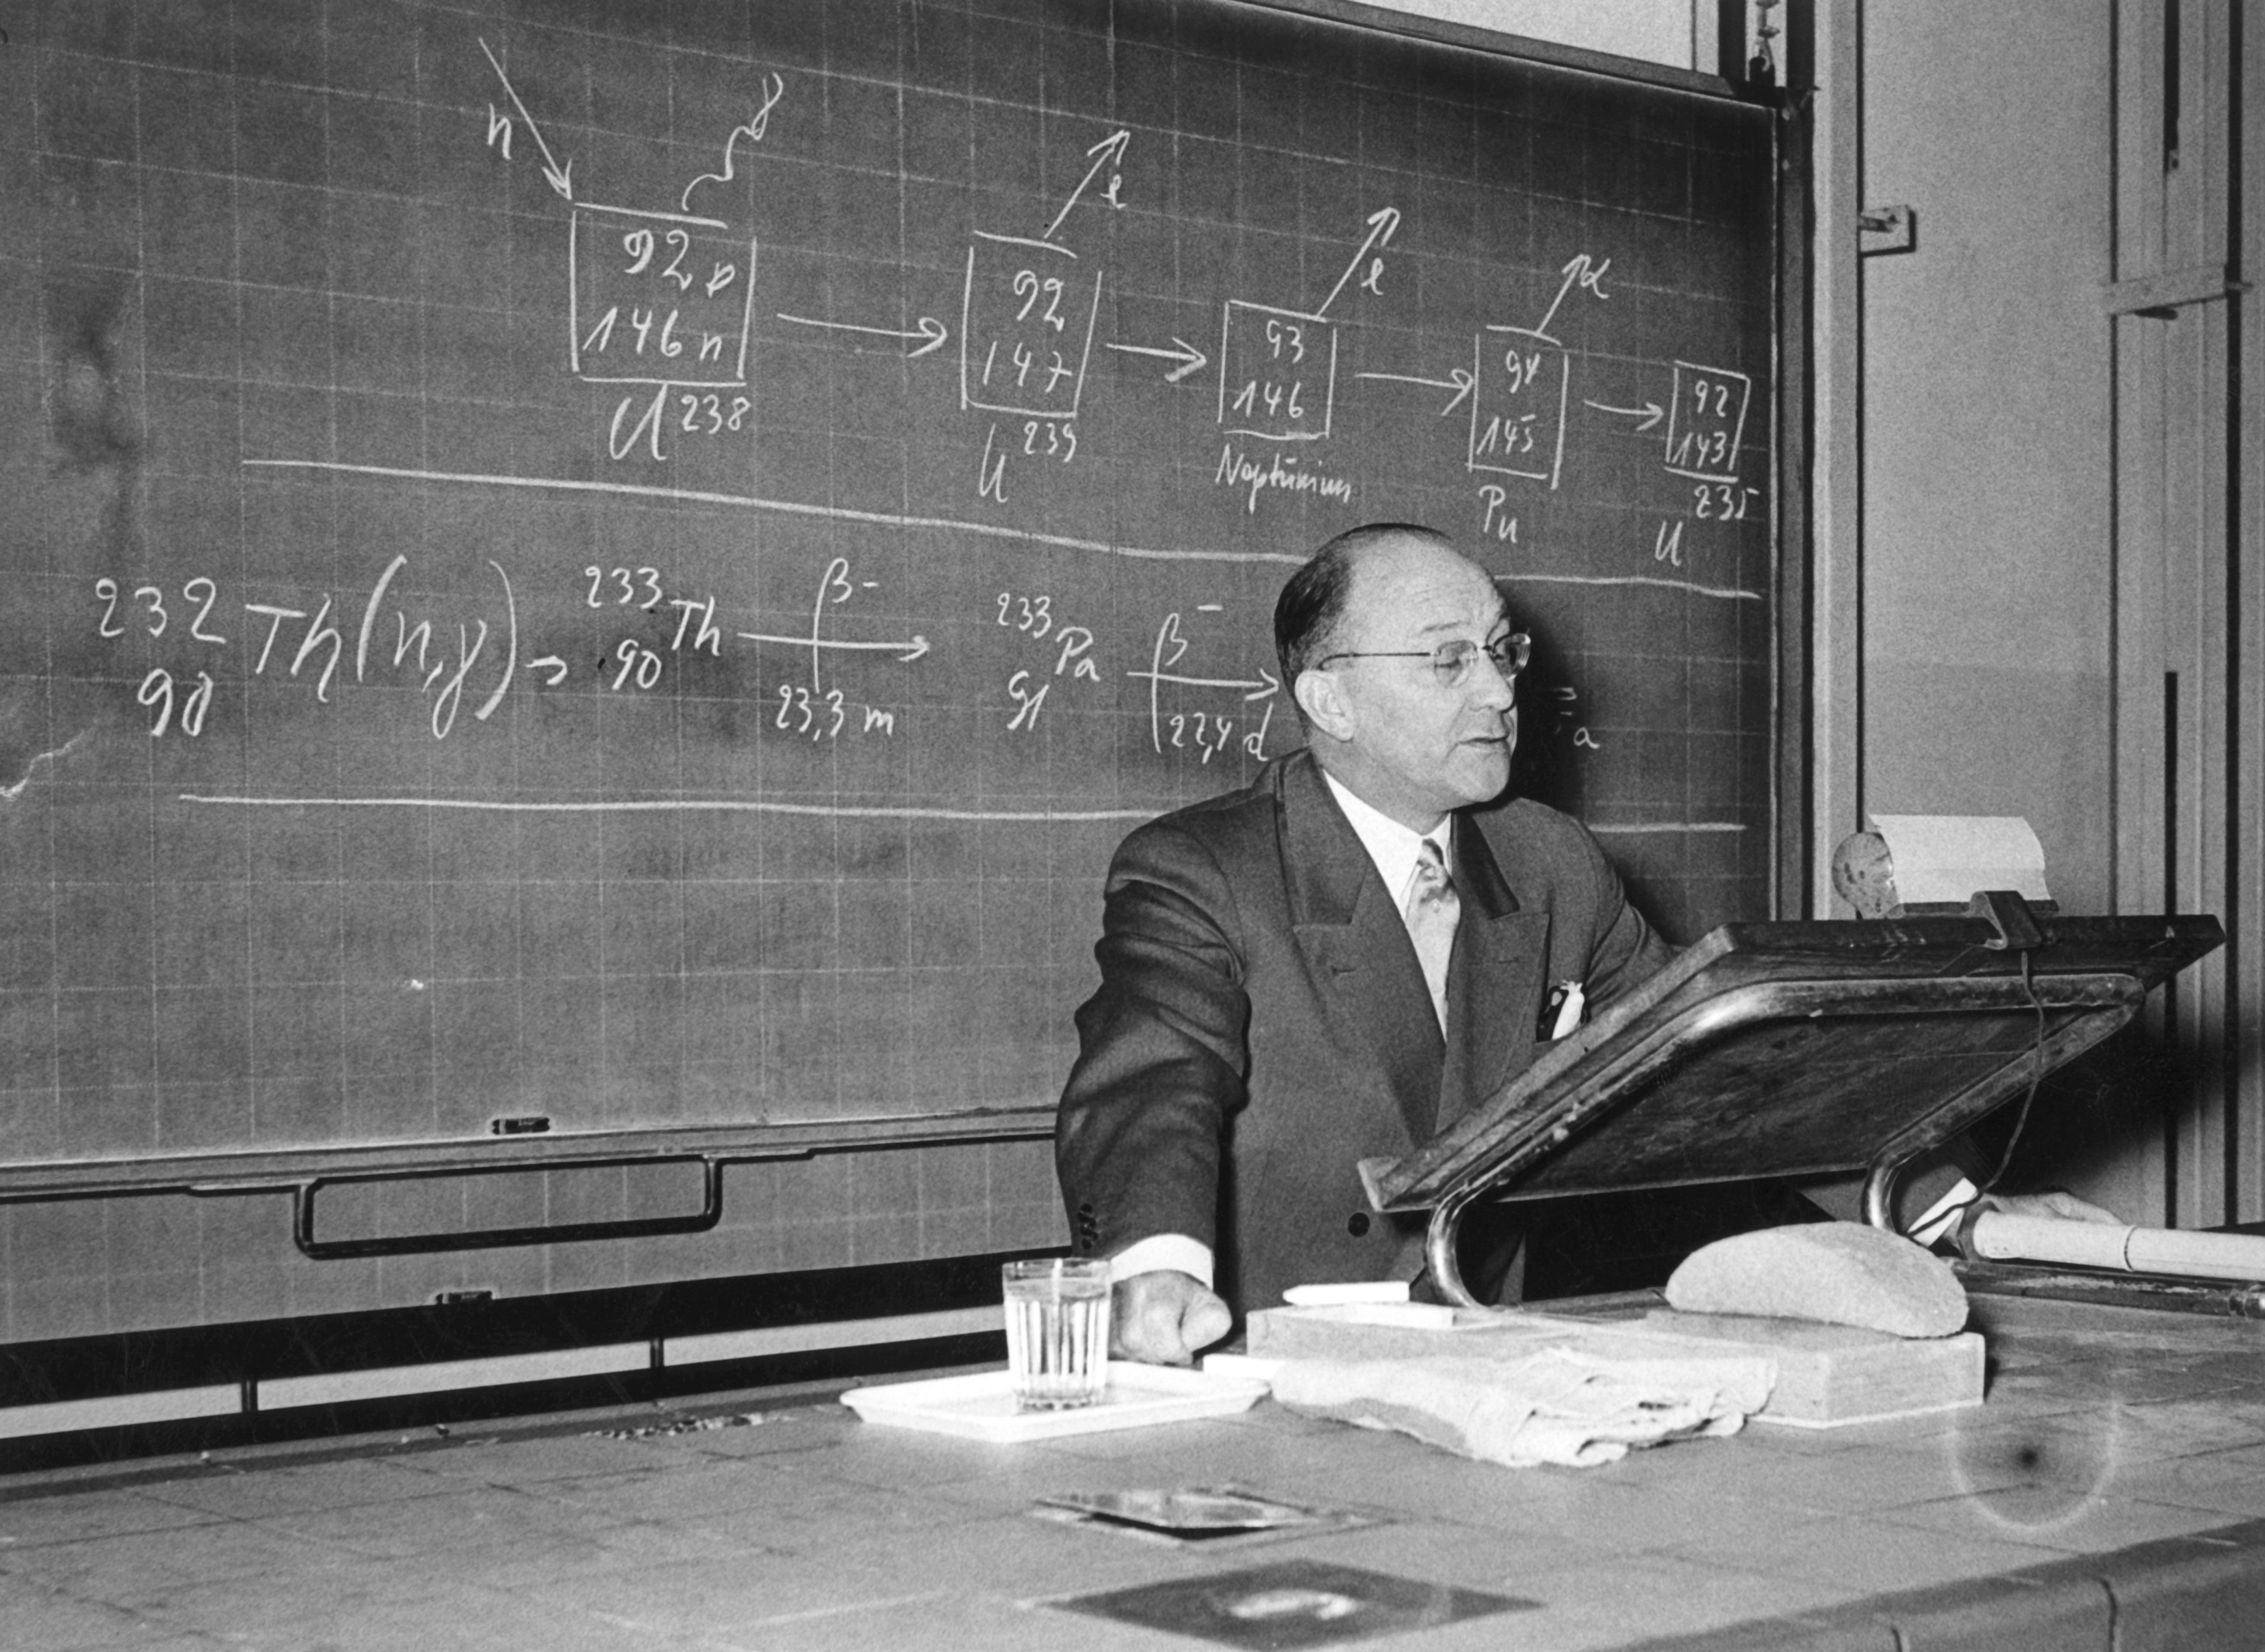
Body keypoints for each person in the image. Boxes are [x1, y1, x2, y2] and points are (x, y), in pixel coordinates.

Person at [1055, 523, 1674, 1364]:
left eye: (1501, 651)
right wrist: (1152, 1268)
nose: (1498, 691)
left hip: (1496, 1356)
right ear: (1331, 701)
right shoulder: (1205, 870)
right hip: (1270, 1369)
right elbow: (1152, 1082)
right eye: (1447, 660)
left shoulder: (1554, 860)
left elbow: (1709, 1055)